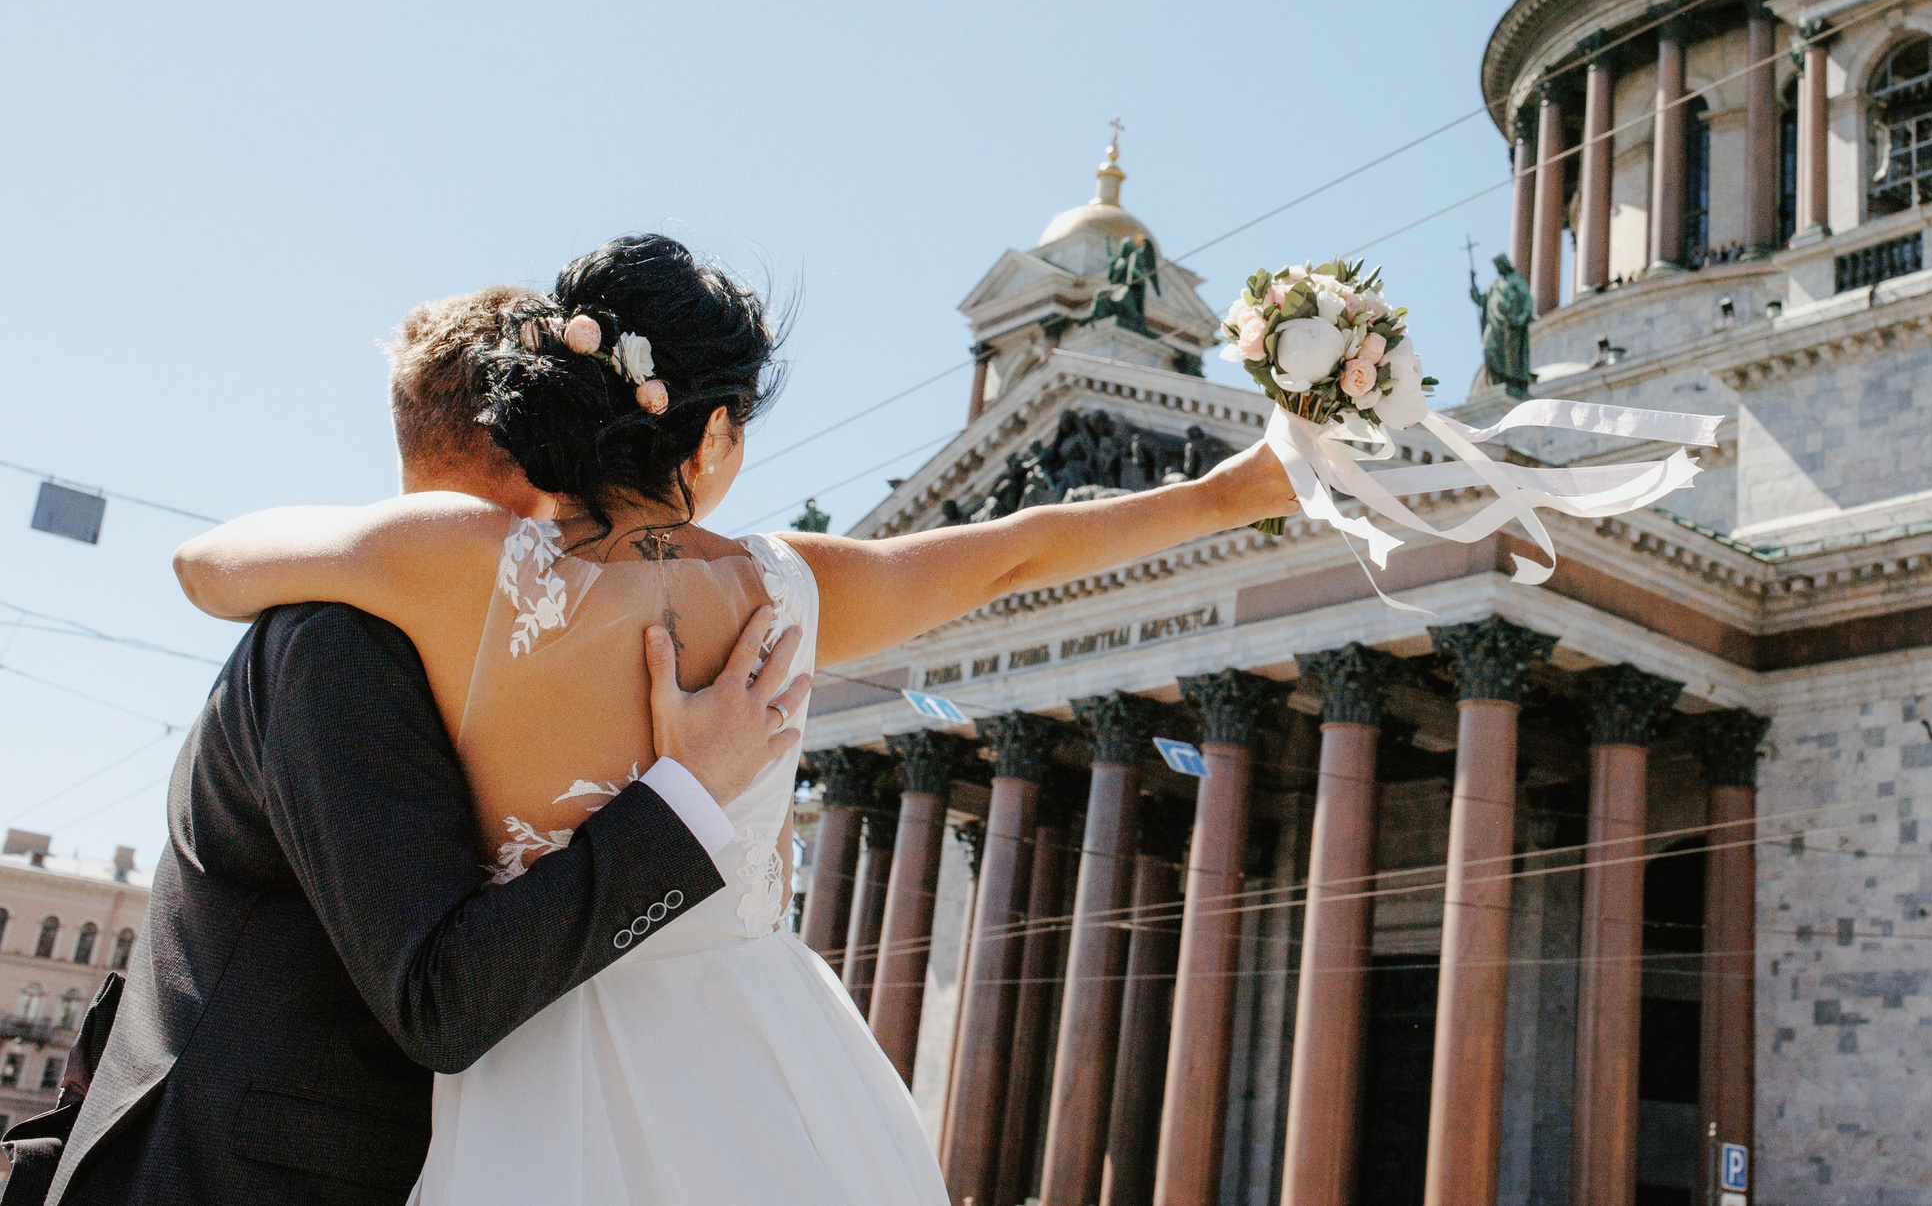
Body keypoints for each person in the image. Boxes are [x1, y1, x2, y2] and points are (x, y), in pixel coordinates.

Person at [162, 234, 1295, 1204]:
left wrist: (379, 547)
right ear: (710, 437)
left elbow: (204, 564)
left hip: (523, 1088)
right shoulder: (783, 588)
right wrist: (1231, 491)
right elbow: (1024, 545)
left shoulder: (450, 565)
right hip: (771, 1080)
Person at [6, 286, 804, 1206]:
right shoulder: (340, 642)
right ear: (542, 443)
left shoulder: (453, 646)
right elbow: (440, 998)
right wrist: (686, 802)